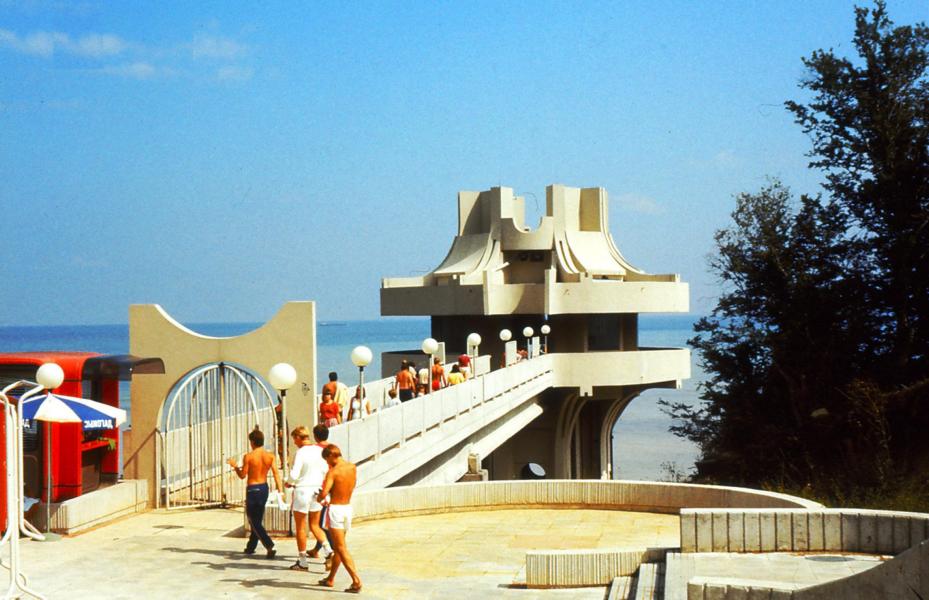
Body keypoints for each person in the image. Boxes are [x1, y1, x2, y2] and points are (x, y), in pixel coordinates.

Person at [227, 426, 282, 558]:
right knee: (257, 519)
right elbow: (276, 474)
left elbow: (242, 475)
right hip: (264, 488)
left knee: (253, 520)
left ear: (252, 442)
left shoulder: (249, 457)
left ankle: (269, 545)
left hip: (252, 489)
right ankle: (251, 547)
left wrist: (235, 466)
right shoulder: (270, 456)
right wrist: (280, 490)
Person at [285, 425, 333, 570]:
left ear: (299, 438)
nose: (294, 442)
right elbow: (326, 470)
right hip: (316, 490)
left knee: (300, 527)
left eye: (294, 439)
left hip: (302, 491)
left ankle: (302, 561)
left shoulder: (301, 452)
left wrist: (288, 482)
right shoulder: (319, 451)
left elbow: (294, 474)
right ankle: (329, 551)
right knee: (315, 525)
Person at [316, 445, 361, 593]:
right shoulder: (352, 467)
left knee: (341, 548)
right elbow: (351, 485)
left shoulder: (332, 472)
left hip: (336, 509)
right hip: (348, 507)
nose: (327, 463)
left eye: (326, 460)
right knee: (338, 547)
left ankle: (356, 580)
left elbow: (323, 494)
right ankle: (330, 578)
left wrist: (319, 497)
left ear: (330, 456)